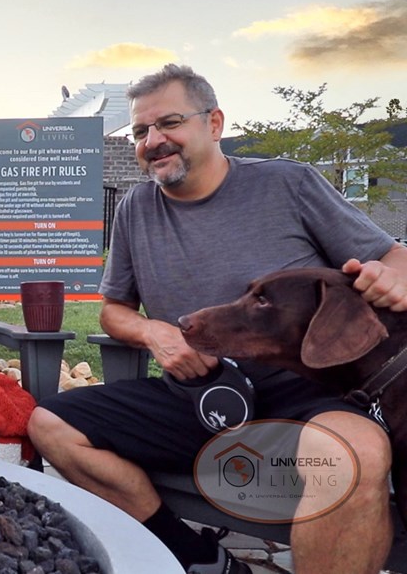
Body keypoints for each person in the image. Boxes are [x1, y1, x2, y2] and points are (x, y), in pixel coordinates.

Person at [28, 63, 407, 574]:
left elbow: (393, 257)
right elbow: (114, 309)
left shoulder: (288, 184)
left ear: (214, 123)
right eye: (141, 131)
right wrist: (150, 331)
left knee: (353, 453)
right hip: (197, 394)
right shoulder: (136, 209)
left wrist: (391, 278)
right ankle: (198, 558)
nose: (153, 140)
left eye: (169, 123)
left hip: (307, 395)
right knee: (50, 424)